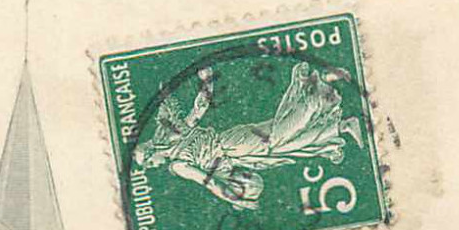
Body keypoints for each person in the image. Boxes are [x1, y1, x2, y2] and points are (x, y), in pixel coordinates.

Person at [133, 62, 364, 211]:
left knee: (279, 139)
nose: (154, 167)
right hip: (235, 147)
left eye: (149, 163)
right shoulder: (178, 133)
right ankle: (340, 125)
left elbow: (210, 182)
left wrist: (236, 200)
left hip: (233, 147)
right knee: (283, 142)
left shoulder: (178, 166)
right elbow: (200, 108)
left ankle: (316, 92)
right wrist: (207, 81)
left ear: (152, 152)